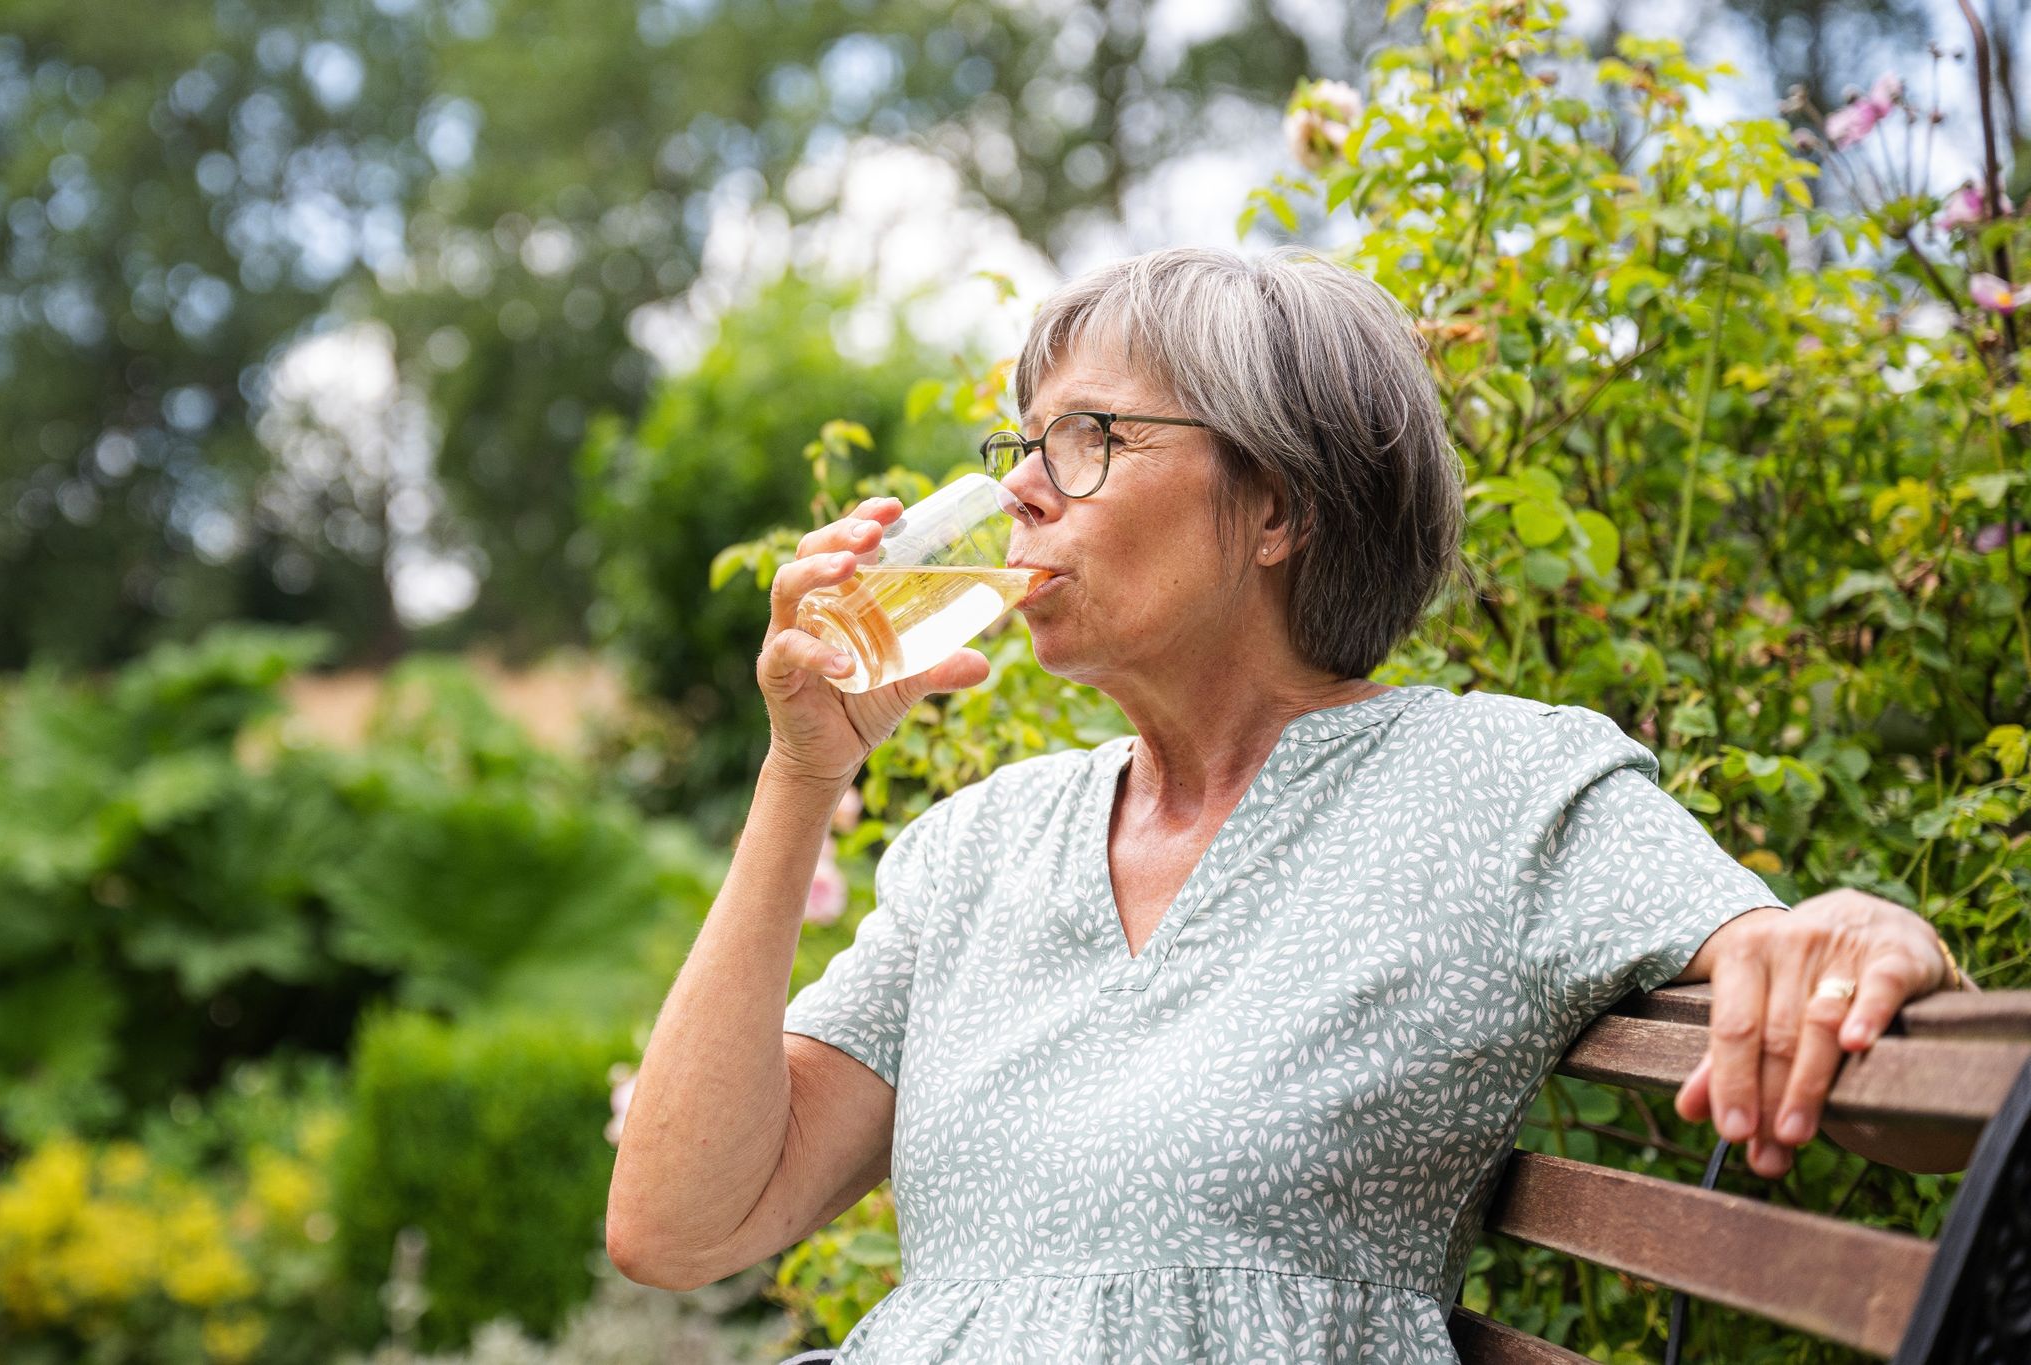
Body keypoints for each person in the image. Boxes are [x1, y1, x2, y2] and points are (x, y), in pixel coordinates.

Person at [605, 247, 1965, 1362]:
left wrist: (1864, 940)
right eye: (1024, 438)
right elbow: (680, 1224)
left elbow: (1835, 1019)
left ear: (1278, 507)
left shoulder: (1495, 788)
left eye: (1089, 437)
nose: (1018, 486)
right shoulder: (982, 847)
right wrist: (803, 774)